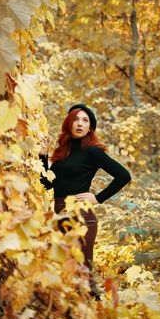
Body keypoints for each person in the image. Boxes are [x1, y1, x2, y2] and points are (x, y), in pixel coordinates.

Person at [39, 103, 131, 296]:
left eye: (85, 120)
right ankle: (73, 317)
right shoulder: (61, 152)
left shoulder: (92, 151)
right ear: (68, 123)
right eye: (76, 119)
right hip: (60, 214)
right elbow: (47, 184)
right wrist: (43, 157)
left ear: (90, 127)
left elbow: (124, 175)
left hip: (81, 216)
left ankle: (98, 316)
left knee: (84, 274)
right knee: (67, 271)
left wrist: (97, 198)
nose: (80, 124)